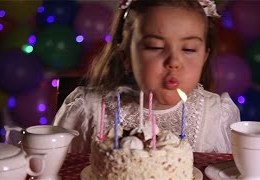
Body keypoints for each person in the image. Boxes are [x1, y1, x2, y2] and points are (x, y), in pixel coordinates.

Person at [53, 0, 240, 154]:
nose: (174, 61)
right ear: (126, 57)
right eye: (155, 47)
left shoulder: (217, 116)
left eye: (189, 49)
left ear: (204, 57)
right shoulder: (89, 111)